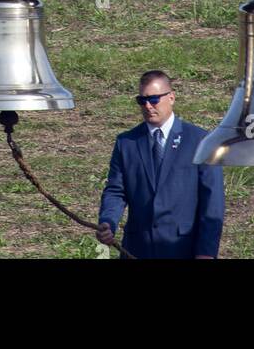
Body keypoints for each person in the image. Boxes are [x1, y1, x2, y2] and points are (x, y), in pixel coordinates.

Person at [96, 70, 224, 260]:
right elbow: (116, 190)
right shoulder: (126, 142)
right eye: (142, 100)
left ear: (171, 97)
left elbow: (212, 201)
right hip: (137, 249)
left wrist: (206, 252)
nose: (148, 106)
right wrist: (108, 222)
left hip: (183, 249)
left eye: (154, 99)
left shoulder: (201, 141)